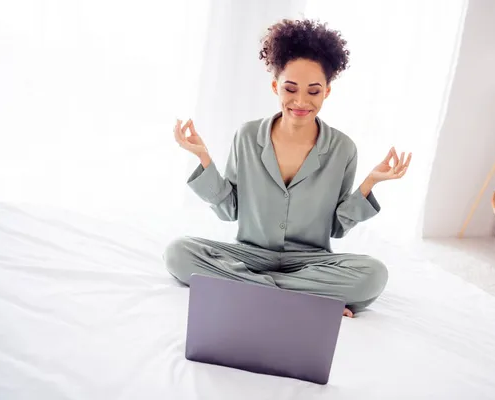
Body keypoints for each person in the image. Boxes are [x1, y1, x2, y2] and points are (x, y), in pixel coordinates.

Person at [164, 19, 412, 318]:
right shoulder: (246, 136)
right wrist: (204, 158)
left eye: (314, 91)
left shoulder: (343, 149)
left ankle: (249, 289)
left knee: (373, 274)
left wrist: (370, 182)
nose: (301, 101)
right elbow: (229, 210)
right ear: (275, 86)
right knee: (178, 253)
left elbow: (336, 228)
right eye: (290, 88)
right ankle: (304, 296)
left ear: (327, 93)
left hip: (311, 262)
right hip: (250, 254)